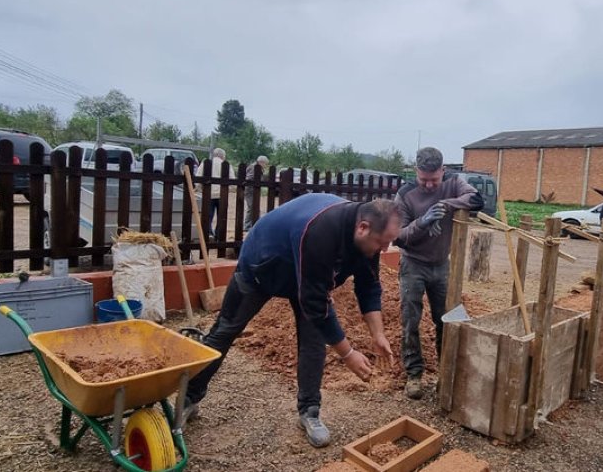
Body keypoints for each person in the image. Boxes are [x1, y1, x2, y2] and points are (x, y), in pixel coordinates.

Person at [182, 193, 400, 448]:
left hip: (307, 275)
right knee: (225, 330)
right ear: (363, 228)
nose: (385, 250)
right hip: (263, 267)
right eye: (382, 242)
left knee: (313, 340)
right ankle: (188, 397)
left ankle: (309, 411)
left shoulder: (369, 234)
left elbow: (369, 286)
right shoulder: (322, 231)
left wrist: (378, 334)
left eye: (388, 243)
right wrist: (348, 353)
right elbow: (316, 305)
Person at [394, 147, 483, 399]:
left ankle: (447, 370)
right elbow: (398, 237)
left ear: (443, 171)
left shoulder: (454, 182)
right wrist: (422, 222)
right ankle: (414, 374)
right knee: (410, 320)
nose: (430, 185)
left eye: (435, 179)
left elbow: (476, 200)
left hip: (442, 265)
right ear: (416, 172)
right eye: (424, 180)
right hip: (413, 265)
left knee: (446, 318)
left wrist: (445, 203)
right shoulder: (405, 194)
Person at [202, 148, 227, 240]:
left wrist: (201, 189)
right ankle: (218, 235)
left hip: (209, 194)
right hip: (222, 195)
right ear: (222, 156)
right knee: (221, 216)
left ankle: (208, 234)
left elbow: (199, 177)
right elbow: (232, 180)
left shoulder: (206, 163)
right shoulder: (226, 165)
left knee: (208, 215)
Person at [242, 155, 271, 232]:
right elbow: (249, 178)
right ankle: (247, 225)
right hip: (250, 191)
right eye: (265, 164)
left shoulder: (256, 167)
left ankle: (253, 224)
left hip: (253, 191)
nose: (265, 166)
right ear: (261, 162)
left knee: (255, 207)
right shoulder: (253, 167)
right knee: (251, 207)